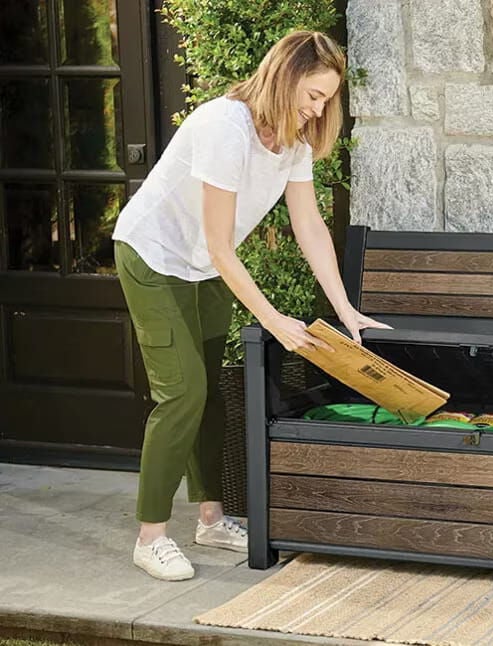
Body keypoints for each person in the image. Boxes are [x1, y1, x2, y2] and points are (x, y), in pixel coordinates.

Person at [112, 30, 389, 581]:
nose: (317, 108)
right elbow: (220, 242)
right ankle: (151, 537)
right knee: (182, 394)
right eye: (313, 94)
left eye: (326, 99)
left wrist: (346, 308)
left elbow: (308, 224)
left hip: (206, 267)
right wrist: (272, 319)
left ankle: (211, 519)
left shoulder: (293, 140)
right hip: (153, 256)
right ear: (285, 77)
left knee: (212, 390)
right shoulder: (224, 126)